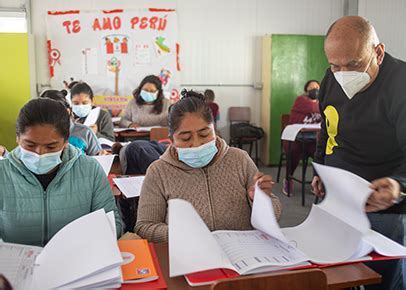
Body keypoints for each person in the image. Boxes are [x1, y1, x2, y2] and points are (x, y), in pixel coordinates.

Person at [312, 16, 406, 290]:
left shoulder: (400, 85)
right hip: (337, 195)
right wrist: (320, 166)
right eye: (335, 65)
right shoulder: (331, 79)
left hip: (383, 203)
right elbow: (327, 128)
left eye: (353, 65)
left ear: (378, 52)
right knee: (332, 273)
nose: (343, 74)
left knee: (382, 278)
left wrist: (398, 185)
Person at [135, 90, 282, 243]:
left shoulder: (239, 160)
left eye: (204, 134)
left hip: (242, 253)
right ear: (171, 139)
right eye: (185, 138)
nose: (196, 144)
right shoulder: (158, 172)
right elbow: (145, 226)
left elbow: (274, 215)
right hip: (189, 255)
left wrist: (261, 202)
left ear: (214, 130)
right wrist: (180, 233)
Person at [0, 98, 122, 246]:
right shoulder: (3, 173)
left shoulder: (90, 170)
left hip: (78, 259)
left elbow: (113, 224)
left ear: (65, 142)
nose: (40, 153)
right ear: (18, 139)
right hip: (15, 265)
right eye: (30, 145)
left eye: (51, 147)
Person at [282, 80, 321, 195]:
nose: (315, 90)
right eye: (312, 87)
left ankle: (316, 182)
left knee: (320, 154)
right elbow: (314, 108)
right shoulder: (301, 100)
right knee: (293, 152)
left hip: (312, 139)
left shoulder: (320, 102)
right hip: (294, 138)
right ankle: (288, 179)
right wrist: (323, 105)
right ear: (306, 91)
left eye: (317, 87)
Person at [40, 90, 105, 156]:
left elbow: (98, 160)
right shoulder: (36, 134)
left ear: (67, 111)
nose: (49, 118)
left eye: (54, 113)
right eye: (44, 114)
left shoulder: (85, 132)